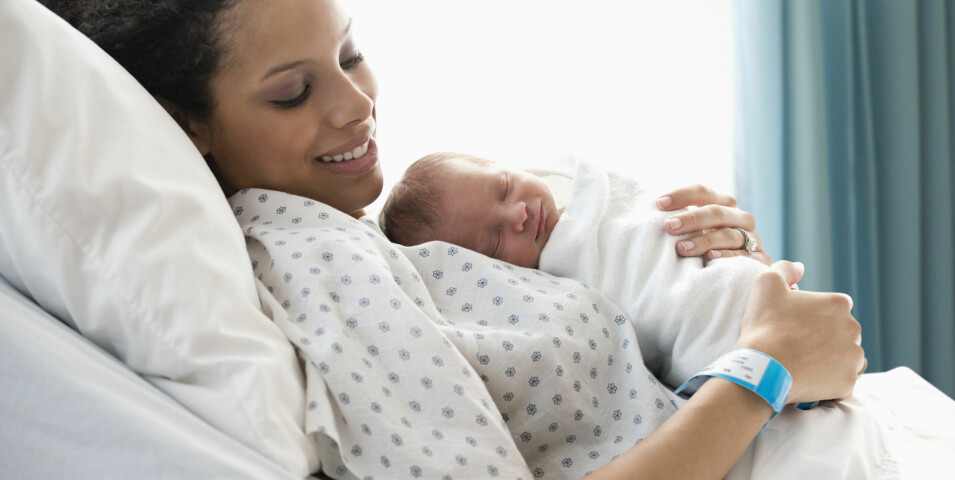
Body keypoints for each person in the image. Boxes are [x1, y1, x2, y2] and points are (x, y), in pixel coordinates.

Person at [47, 0, 864, 478]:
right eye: (293, 92)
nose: (355, 106)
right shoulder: (313, 261)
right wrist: (761, 369)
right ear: (188, 127)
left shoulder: (386, 238)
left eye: (349, 54)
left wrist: (688, 260)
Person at [379, 151, 772, 389]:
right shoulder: (550, 292)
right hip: (719, 327)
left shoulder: (592, 189)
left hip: (745, 275)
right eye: (495, 239)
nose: (517, 213)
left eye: (503, 186)